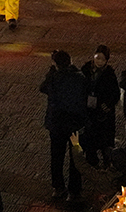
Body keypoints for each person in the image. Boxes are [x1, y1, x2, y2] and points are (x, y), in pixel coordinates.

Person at [39, 50, 87, 201]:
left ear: (55, 64)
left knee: (57, 156)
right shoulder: (79, 77)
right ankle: (74, 190)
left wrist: (51, 72)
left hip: (57, 124)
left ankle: (58, 187)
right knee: (75, 157)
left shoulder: (54, 77)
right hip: (74, 124)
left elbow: (42, 88)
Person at [79, 46, 120, 169]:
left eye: (103, 59)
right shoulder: (86, 70)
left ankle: (107, 163)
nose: (99, 62)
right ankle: (92, 163)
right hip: (89, 111)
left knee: (105, 140)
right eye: (98, 58)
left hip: (103, 114)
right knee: (90, 139)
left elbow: (115, 94)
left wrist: (106, 106)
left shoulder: (109, 74)